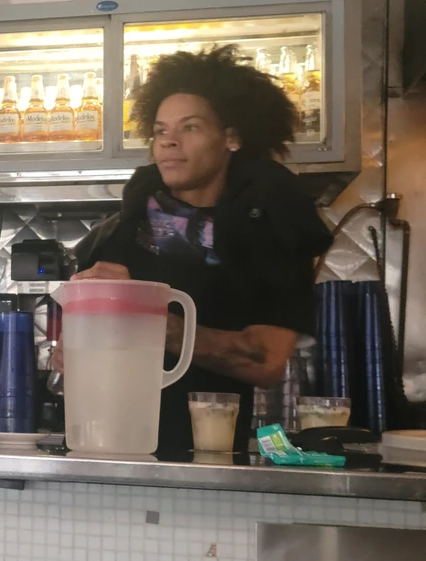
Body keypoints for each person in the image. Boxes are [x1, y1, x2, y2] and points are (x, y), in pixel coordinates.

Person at [74, 46, 332, 457]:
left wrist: (149, 321)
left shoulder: (272, 225)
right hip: (103, 447)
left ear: (232, 137)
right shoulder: (124, 226)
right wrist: (73, 344)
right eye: (160, 130)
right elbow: (82, 354)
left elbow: (264, 361)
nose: (169, 141)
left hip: (208, 456)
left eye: (190, 127)